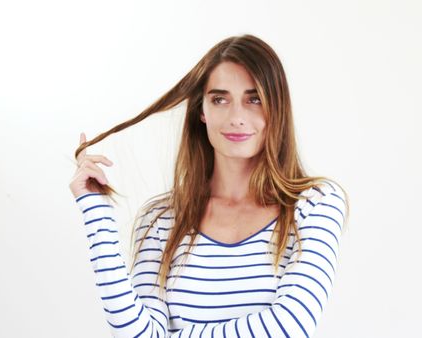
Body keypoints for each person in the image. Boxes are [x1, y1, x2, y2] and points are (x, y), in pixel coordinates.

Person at [69, 34, 349, 338]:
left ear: (277, 107)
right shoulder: (161, 219)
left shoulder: (314, 205)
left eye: (254, 99)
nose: (237, 117)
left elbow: (289, 326)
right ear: (201, 111)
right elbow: (134, 333)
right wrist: (95, 212)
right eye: (220, 99)